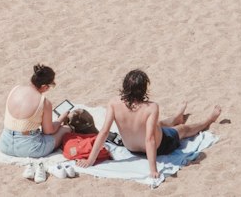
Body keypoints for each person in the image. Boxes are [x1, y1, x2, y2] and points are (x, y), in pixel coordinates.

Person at [79, 71, 219, 176]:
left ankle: (176, 117)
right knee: (182, 129)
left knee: (157, 124)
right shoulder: (151, 107)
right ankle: (208, 120)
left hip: (131, 148)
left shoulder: (114, 103)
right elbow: (150, 139)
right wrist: (153, 169)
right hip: (160, 147)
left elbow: (103, 132)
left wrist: (90, 160)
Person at [0, 65, 70, 161]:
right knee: (66, 129)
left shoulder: (15, 89)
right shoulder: (44, 102)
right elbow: (48, 131)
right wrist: (61, 118)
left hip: (5, 144)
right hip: (29, 149)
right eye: (50, 86)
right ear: (44, 86)